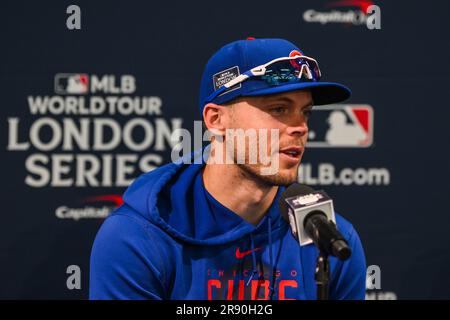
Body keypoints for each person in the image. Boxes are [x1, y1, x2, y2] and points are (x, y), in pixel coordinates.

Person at [89, 38, 366, 300]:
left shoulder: (330, 242)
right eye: (279, 109)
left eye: (305, 112)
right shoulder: (136, 237)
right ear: (216, 119)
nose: (300, 127)